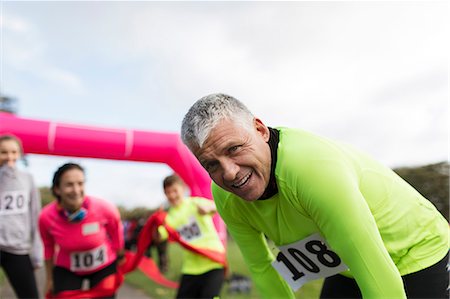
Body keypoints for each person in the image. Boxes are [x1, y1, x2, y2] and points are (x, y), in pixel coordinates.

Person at [181, 93, 449, 299]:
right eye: (211, 164)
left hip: (418, 249)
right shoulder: (226, 196)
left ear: (260, 130)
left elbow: (371, 263)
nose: (229, 173)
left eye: (234, 148)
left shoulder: (311, 169)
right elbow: (262, 267)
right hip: (349, 264)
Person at [38, 163, 124, 298]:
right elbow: (48, 248)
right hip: (67, 268)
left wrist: (119, 256)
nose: (76, 190)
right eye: (69, 185)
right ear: (57, 189)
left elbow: (116, 231)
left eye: (80, 183)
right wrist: (50, 279)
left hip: (104, 266)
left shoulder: (104, 208)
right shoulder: (46, 217)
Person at [163, 174, 225, 299]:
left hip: (213, 261)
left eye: (175, 190)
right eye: (168, 192)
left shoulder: (195, 203)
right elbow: (160, 235)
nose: (172, 195)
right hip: (190, 268)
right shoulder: (169, 218)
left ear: (183, 189)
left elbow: (218, 205)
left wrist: (208, 208)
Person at [0, 134, 42, 299]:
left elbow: (35, 214)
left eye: (13, 152)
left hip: (18, 248)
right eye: (3, 152)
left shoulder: (28, 179)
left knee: (30, 295)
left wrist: (37, 250)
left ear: (19, 154)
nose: (9, 157)